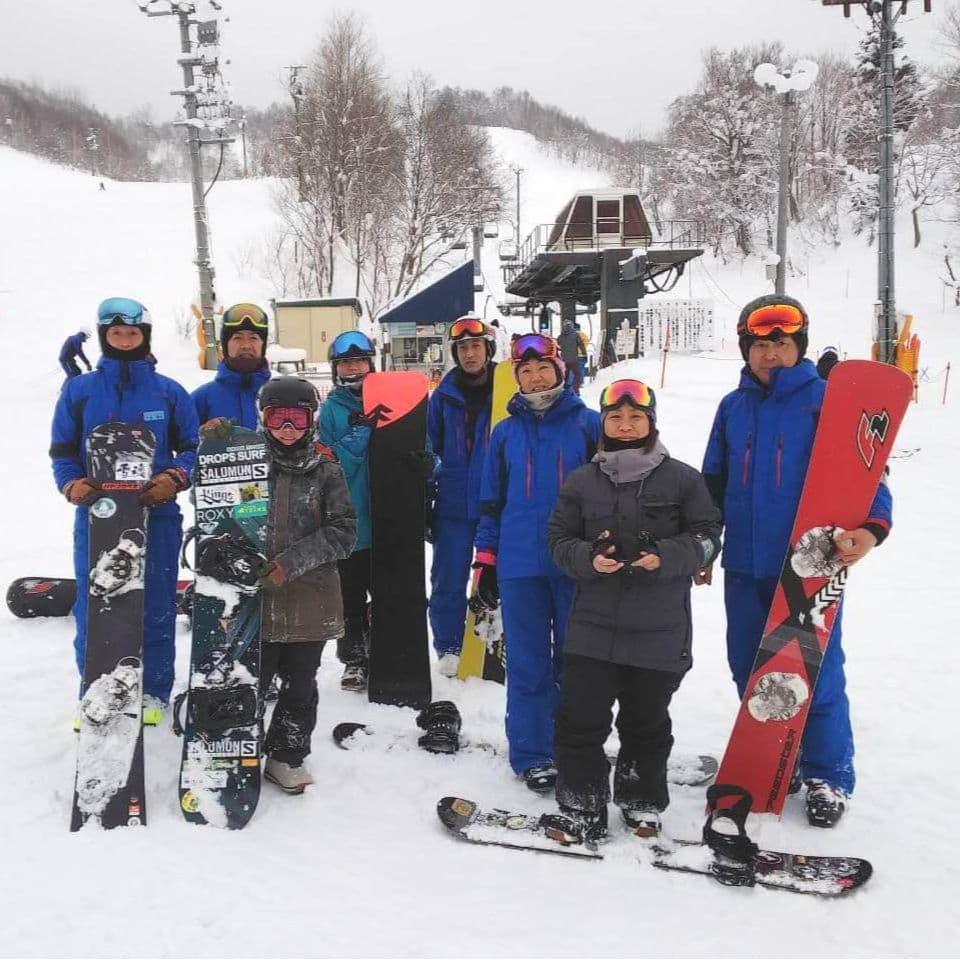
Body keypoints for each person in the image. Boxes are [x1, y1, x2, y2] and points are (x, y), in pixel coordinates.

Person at [701, 293, 893, 828]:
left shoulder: (828, 401)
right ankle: (770, 758)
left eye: (781, 343)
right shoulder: (732, 407)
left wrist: (871, 529)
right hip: (745, 564)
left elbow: (870, 477)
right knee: (748, 665)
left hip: (810, 564)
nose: (770, 354)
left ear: (799, 346)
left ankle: (826, 773)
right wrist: (704, 541)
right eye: (760, 345)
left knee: (817, 671)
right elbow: (712, 483)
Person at [547, 380, 721, 839]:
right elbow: (558, 541)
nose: (625, 426)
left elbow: (708, 538)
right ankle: (582, 802)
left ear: (651, 422)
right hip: (592, 627)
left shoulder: (683, 479)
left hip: (659, 629)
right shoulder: (581, 481)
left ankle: (642, 803)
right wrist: (587, 558)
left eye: (635, 418)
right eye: (616, 418)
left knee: (646, 724)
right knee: (580, 720)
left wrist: (667, 556)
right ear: (603, 423)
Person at [50, 298, 199, 724]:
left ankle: (152, 693)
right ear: (105, 336)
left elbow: (192, 447)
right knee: (95, 606)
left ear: (144, 336)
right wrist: (71, 483)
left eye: (132, 333)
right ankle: (93, 691)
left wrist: (175, 477)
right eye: (116, 333)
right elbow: (62, 450)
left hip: (156, 514)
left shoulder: (168, 391)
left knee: (155, 604)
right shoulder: (80, 391)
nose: (124, 339)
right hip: (99, 515)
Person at [473, 333, 600, 792]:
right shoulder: (505, 433)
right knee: (527, 664)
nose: (535, 377)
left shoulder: (589, 424)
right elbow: (491, 502)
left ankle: (573, 748)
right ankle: (532, 754)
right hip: (520, 564)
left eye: (543, 368)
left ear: (560, 370)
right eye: (525, 371)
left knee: (576, 661)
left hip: (575, 564)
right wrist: (486, 561)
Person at [257, 376, 357, 793]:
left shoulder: (326, 470)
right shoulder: (246, 466)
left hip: (309, 602)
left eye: (296, 419)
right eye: (277, 418)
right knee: (251, 681)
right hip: (255, 605)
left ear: (311, 420)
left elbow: (344, 531)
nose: (287, 429)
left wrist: (291, 563)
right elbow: (212, 509)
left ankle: (286, 755)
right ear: (263, 419)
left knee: (300, 684)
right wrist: (217, 447)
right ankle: (240, 747)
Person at [427, 316, 497, 677]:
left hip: (495, 502)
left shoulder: (507, 391)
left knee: (497, 575)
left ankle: (492, 640)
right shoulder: (443, 397)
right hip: (453, 503)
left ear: (488, 349)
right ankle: (449, 645)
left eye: (476, 346)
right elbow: (429, 449)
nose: (470, 354)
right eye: (463, 348)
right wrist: (426, 500)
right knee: (448, 578)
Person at [318, 330, 378, 692]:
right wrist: (357, 437)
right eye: (345, 363)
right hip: (349, 520)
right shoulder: (331, 410)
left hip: (388, 517)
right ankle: (354, 658)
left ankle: (385, 650)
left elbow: (422, 443)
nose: (353, 368)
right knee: (350, 596)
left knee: (389, 593)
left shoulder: (391, 397)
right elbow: (327, 462)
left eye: (359, 361)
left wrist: (426, 463)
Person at [191, 302, 272, 430]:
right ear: (225, 345)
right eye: (237, 338)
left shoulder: (281, 395)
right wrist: (201, 436)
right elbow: (181, 439)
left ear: (263, 344)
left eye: (253, 338)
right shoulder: (201, 399)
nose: (246, 345)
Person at [557, 319, 582, 394]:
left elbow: (558, 345)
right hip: (574, 359)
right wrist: (584, 354)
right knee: (577, 374)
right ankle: (575, 390)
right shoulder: (576, 335)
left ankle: (564, 390)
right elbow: (581, 345)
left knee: (565, 376)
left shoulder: (561, 336)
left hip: (564, 359)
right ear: (572, 326)